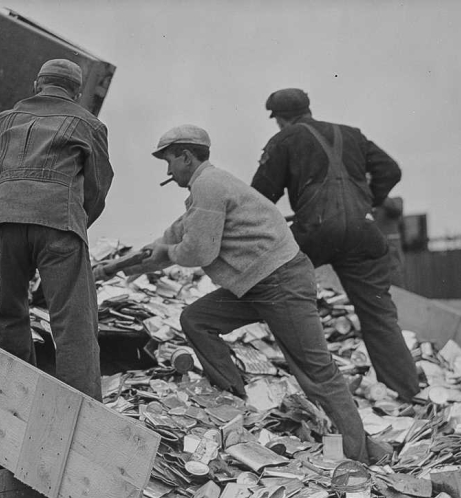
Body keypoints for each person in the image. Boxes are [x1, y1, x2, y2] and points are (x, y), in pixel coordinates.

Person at [128, 124, 371, 463]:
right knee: (196, 319)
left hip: (282, 282)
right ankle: (232, 399)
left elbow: (198, 251)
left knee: (317, 373)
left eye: (170, 161)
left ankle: (361, 457)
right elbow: (175, 235)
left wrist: (167, 254)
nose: (168, 171)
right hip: (256, 285)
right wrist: (129, 265)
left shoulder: (209, 185)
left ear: (185, 156)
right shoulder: (206, 190)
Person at [251, 88, 419, 401]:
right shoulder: (352, 135)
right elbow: (390, 170)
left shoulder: (285, 139)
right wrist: (369, 201)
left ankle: (318, 395)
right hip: (363, 234)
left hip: (314, 234)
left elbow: (259, 198)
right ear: (308, 109)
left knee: (283, 299)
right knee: (380, 317)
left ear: (279, 119)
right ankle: (406, 393)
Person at [0, 59, 113, 400]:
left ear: (38, 84)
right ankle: (79, 408)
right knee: (73, 322)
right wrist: (76, 222)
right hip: (58, 223)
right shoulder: (89, 124)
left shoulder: (7, 119)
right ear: (77, 92)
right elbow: (97, 186)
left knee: (11, 310)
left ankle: (16, 394)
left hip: (5, 221)